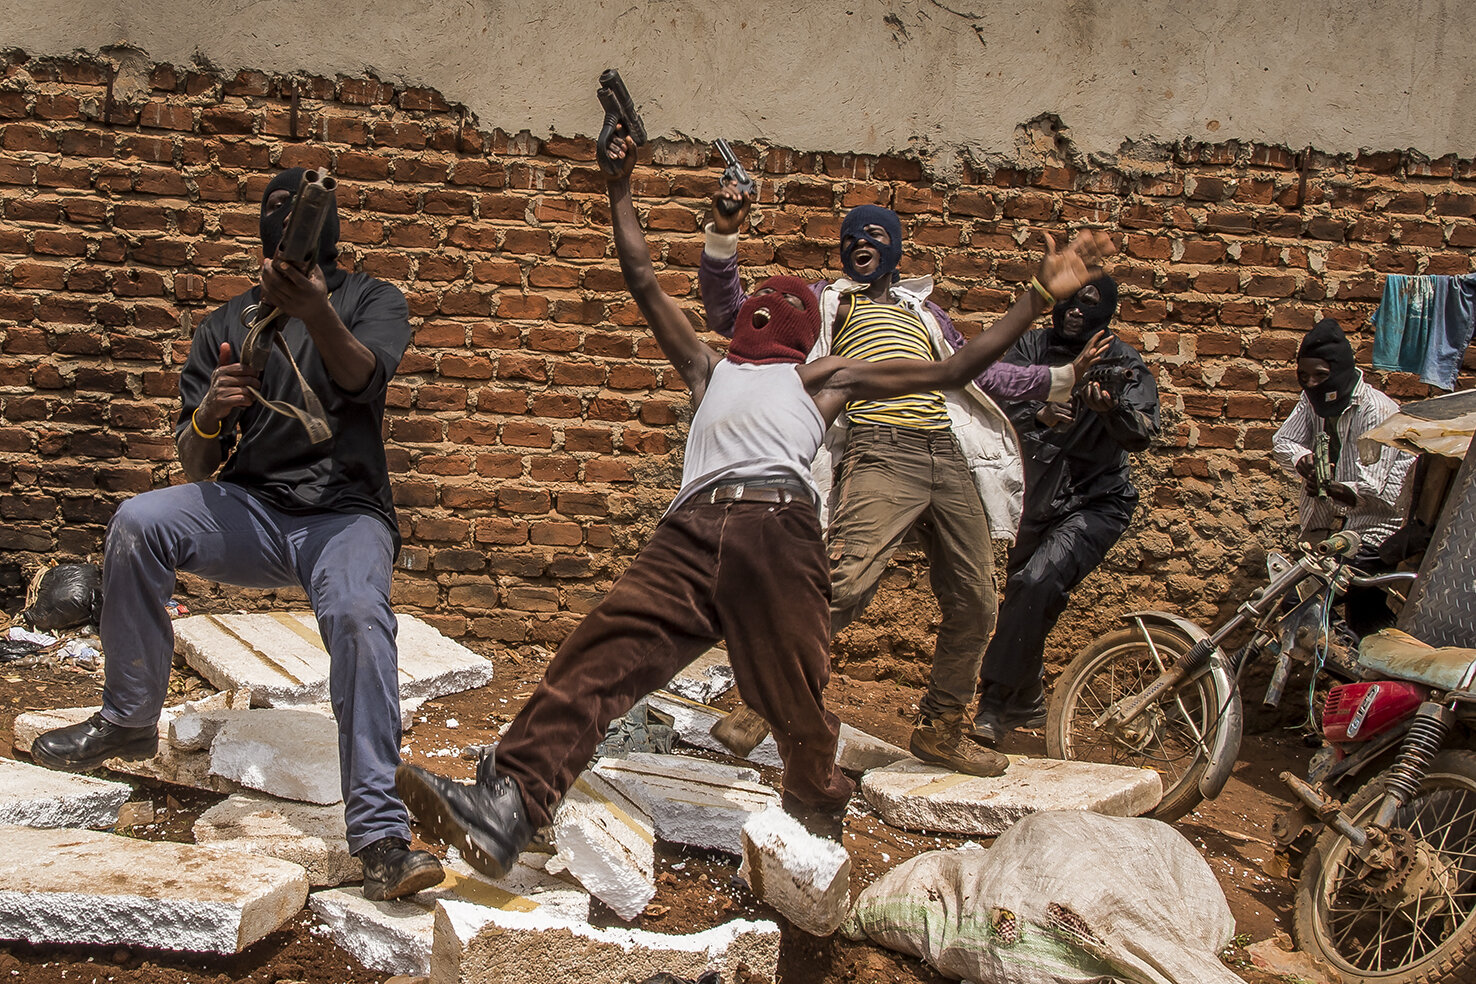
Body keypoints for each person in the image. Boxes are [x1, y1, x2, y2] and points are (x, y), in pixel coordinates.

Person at [394, 132, 1117, 879]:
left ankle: (814, 816)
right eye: (760, 302)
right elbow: (642, 278)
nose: (771, 306)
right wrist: (618, 184)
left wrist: (1037, 294)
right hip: (688, 534)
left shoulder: (823, 379)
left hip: (778, 532)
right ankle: (510, 803)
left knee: (795, 701)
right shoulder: (706, 366)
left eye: (788, 302)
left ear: (807, 331)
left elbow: (958, 366)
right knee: (596, 660)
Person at [30, 169, 443, 902]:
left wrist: (315, 312)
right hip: (252, 512)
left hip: (346, 517)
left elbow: (362, 379)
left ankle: (379, 835)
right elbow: (196, 464)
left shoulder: (369, 300)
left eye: (307, 214)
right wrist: (213, 412)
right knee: (138, 523)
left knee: (356, 615)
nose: (292, 224)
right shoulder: (226, 325)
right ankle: (128, 720)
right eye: (278, 214)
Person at [699, 187, 1107, 775]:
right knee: (844, 582)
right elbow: (733, 315)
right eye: (849, 238)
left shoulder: (925, 314)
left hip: (946, 455)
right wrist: (722, 238)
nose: (858, 244)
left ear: (894, 249)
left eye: (873, 236)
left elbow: (979, 373)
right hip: (880, 452)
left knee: (976, 601)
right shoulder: (826, 303)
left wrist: (1061, 378)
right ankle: (765, 702)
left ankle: (942, 727)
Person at [973, 275, 1159, 745]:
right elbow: (986, 402)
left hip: (1095, 502)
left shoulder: (1119, 361)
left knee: (1035, 582)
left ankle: (993, 705)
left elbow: (1141, 432)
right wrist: (1038, 412)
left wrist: (1109, 409)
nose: (1075, 312)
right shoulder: (1032, 347)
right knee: (1026, 595)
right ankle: (1030, 697)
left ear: (1106, 313)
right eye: (1068, 303)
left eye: (1089, 305)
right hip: (1034, 501)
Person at [1271, 318, 1414, 634]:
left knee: (1306, 604)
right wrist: (1301, 459)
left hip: (1377, 528)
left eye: (1320, 376)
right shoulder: (1312, 400)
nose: (1310, 384)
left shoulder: (1376, 410)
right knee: (1349, 616)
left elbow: (1372, 489)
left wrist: (1327, 485)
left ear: (1339, 371)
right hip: (1334, 529)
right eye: (1303, 377)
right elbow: (1283, 441)